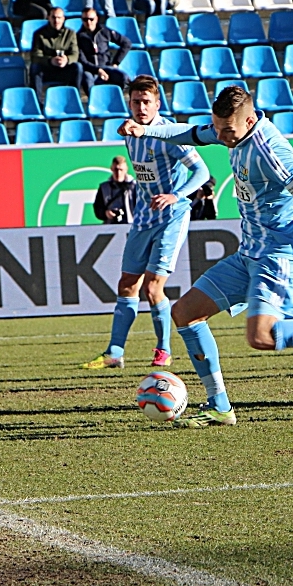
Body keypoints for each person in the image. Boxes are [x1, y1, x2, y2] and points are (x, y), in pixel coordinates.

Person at [117, 87, 293, 427]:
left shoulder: (270, 151)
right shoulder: (231, 130)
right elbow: (192, 134)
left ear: (250, 120)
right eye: (218, 128)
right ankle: (220, 406)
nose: (222, 138)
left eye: (228, 131)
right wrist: (145, 129)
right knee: (185, 312)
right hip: (249, 252)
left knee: (261, 337)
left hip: (278, 255)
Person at [83, 76, 210, 371]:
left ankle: (164, 349)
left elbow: (202, 171)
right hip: (143, 217)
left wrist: (175, 195)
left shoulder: (169, 134)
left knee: (153, 288)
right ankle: (115, 352)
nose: (141, 107)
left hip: (171, 217)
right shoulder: (129, 132)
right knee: (127, 284)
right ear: (129, 104)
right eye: (136, 102)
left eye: (146, 102)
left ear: (157, 104)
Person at [30, 6, 82, 95]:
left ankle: (75, 97)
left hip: (64, 69)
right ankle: (37, 102)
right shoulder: (39, 34)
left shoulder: (70, 33)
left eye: (59, 18)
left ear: (63, 19)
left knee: (78, 67)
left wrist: (67, 59)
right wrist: (50, 60)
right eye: (53, 17)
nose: (56, 21)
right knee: (35, 67)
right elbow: (36, 56)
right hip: (47, 70)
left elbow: (75, 53)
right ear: (48, 18)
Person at [78, 7, 131, 92]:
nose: (88, 22)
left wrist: (116, 63)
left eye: (91, 19)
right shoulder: (78, 37)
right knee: (87, 80)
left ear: (96, 19)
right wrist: (98, 70)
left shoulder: (104, 31)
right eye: (85, 19)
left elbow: (126, 43)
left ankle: (116, 98)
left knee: (123, 77)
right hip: (90, 70)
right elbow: (82, 60)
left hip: (106, 66)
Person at [93, 155, 135, 224]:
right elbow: (98, 209)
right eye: (116, 169)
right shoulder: (104, 188)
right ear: (111, 169)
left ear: (126, 169)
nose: (118, 173)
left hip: (130, 225)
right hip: (111, 226)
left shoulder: (134, 187)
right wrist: (106, 213)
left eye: (121, 170)